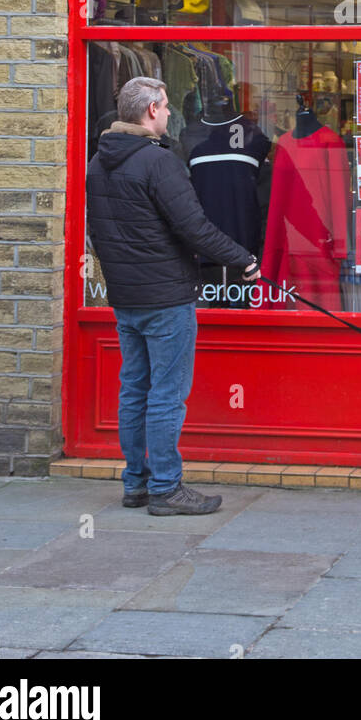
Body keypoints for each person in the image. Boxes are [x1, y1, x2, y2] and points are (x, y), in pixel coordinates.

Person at [86, 76, 261, 516]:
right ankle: (166, 487)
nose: (169, 114)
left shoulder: (96, 162)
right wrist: (243, 259)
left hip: (126, 298)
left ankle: (136, 483)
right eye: (164, 107)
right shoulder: (158, 163)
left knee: (135, 389)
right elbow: (195, 227)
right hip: (165, 297)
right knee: (165, 394)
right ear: (150, 111)